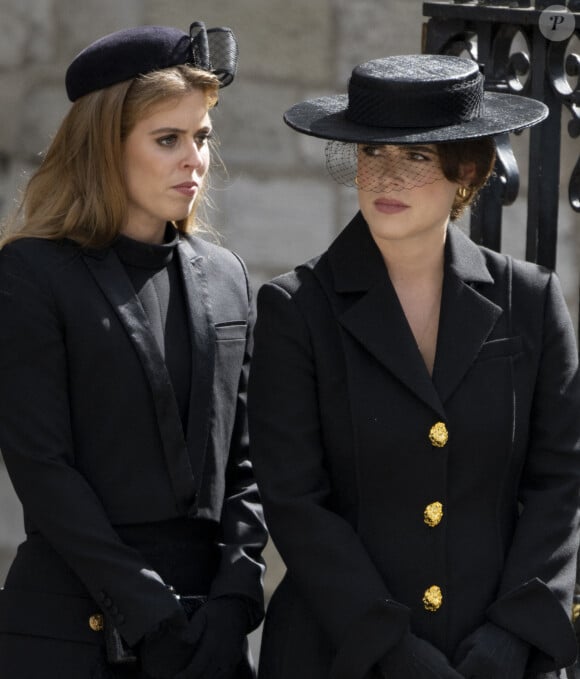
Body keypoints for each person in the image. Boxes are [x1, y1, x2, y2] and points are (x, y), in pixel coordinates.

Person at [248, 54, 580, 679]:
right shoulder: (296, 309)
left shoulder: (530, 301)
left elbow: (559, 483)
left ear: (468, 171)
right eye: (372, 154)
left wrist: (513, 636)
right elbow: (296, 503)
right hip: (340, 656)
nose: (385, 177)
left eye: (416, 158)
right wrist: (390, 650)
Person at [0, 20, 267, 679]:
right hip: (72, 629)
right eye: (168, 139)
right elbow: (43, 467)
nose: (194, 159)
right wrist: (147, 607)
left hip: (208, 635)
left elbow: (248, 461)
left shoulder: (228, 275)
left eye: (202, 137)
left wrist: (237, 594)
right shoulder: (31, 275)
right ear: (104, 146)